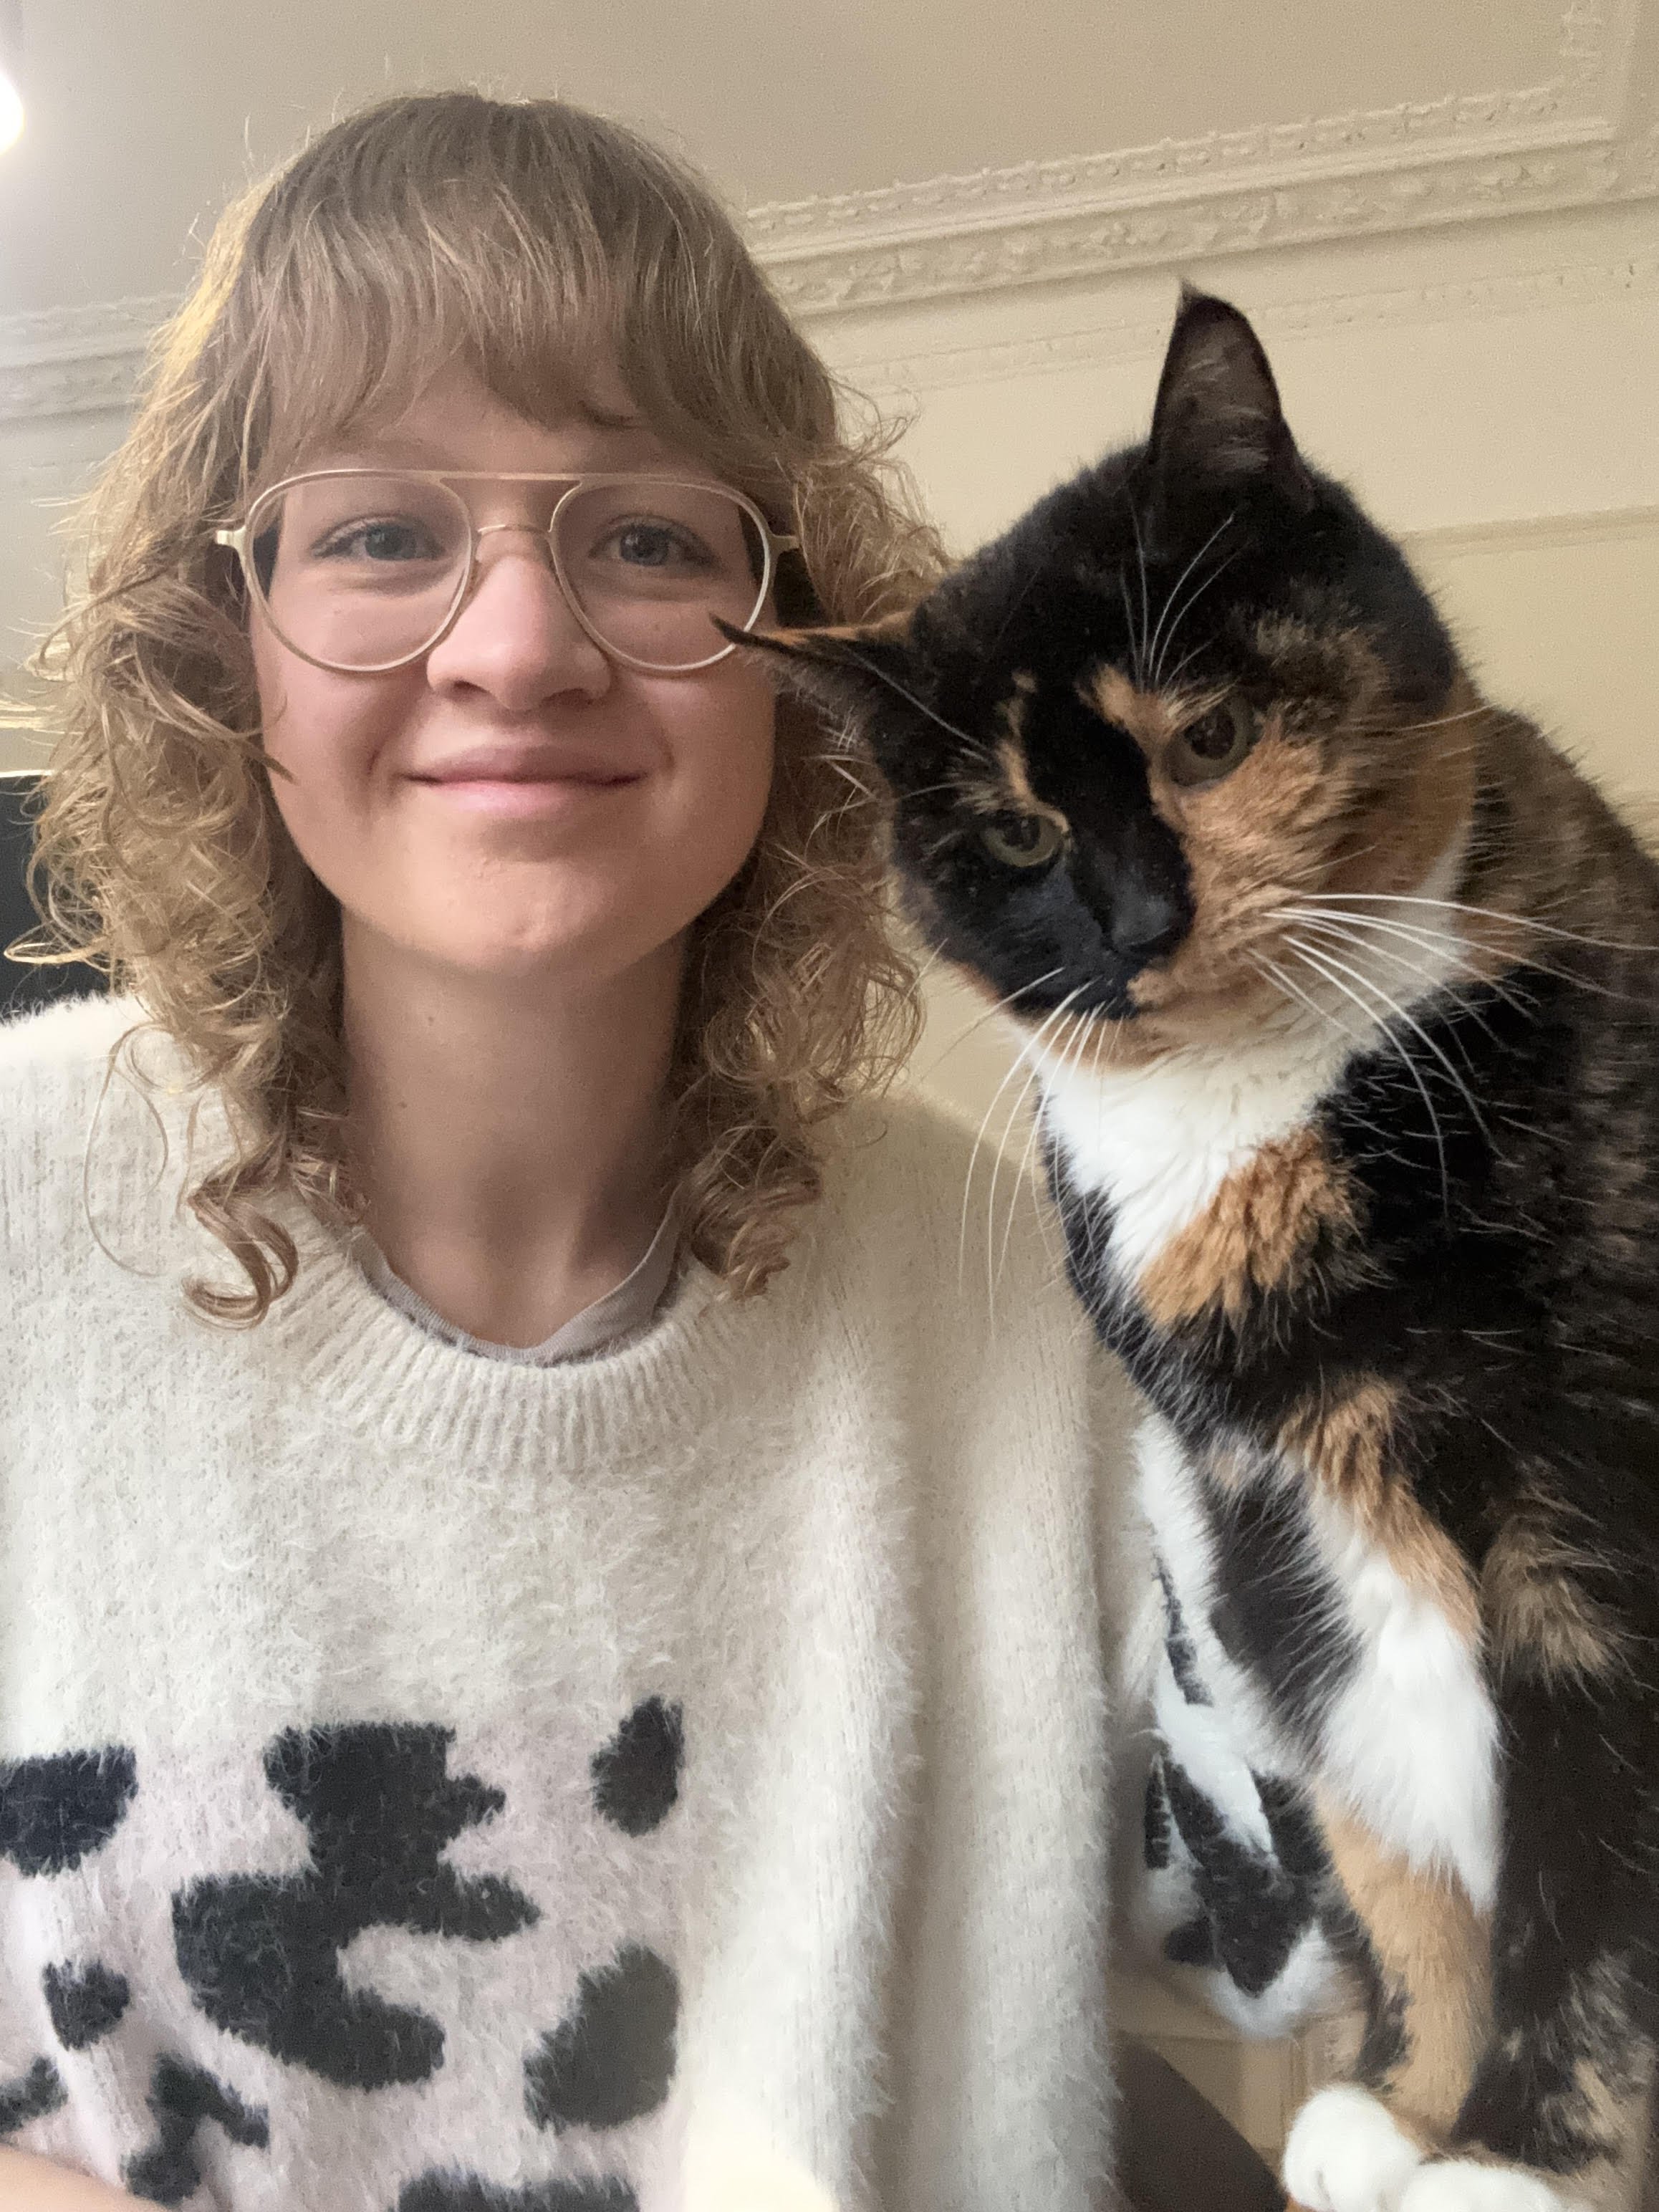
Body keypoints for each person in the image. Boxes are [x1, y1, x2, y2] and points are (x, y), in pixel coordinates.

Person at [0, 90, 1142, 2212]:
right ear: (216, 651)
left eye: (646, 538)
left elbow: (1411, 1888)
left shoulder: (1018, 1295)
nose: (516, 650)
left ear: (796, 651)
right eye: (375, 532)